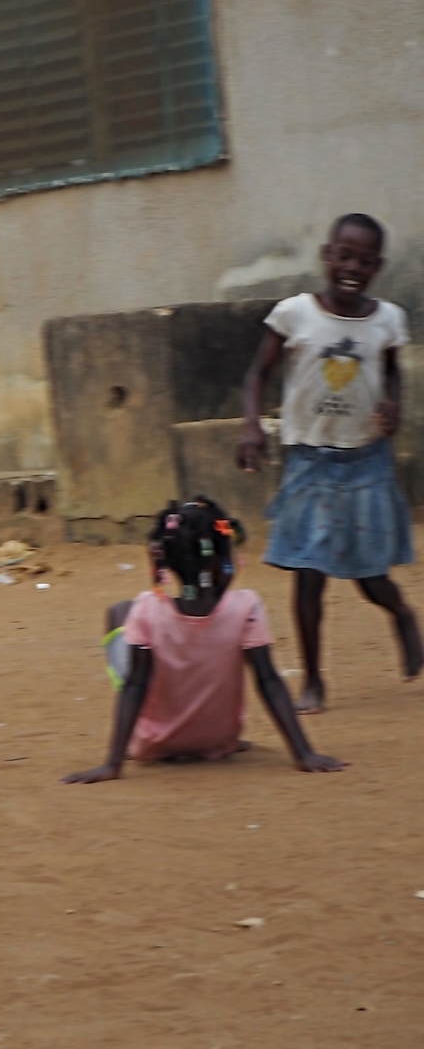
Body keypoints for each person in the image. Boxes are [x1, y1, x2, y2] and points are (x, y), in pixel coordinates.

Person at [238, 212, 423, 713]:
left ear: (378, 267)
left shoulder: (387, 319)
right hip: (309, 461)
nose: (352, 268)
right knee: (309, 571)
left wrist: (394, 404)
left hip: (366, 461)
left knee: (367, 575)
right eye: (344, 256)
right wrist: (253, 426)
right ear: (326, 256)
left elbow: (391, 374)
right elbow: (257, 374)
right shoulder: (295, 313)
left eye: (365, 261)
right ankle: (314, 680)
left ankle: (402, 614)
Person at [63, 497, 343, 784]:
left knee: (120, 613)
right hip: (220, 740)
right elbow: (268, 681)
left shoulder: (147, 608)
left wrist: (112, 764)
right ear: (224, 558)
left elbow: (135, 686)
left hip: (153, 744)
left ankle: (143, 736)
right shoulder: (246, 607)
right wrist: (303, 753)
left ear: (166, 560)